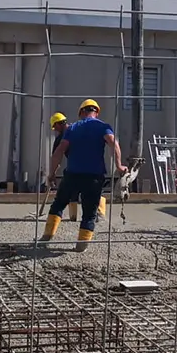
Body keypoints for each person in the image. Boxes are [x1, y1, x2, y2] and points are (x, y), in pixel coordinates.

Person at [44, 99, 122, 250]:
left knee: (59, 204)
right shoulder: (103, 127)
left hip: (72, 175)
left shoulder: (73, 128)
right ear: (97, 112)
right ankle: (81, 244)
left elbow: (58, 152)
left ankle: (47, 236)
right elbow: (114, 143)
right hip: (94, 177)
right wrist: (119, 165)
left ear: (81, 113)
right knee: (89, 213)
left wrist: (51, 174)